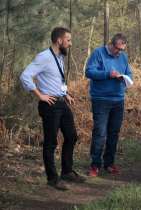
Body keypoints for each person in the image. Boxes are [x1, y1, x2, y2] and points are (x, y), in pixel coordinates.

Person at [20, 27, 85, 191]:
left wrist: (66, 93)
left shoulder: (59, 57)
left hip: (61, 102)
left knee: (71, 136)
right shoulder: (44, 57)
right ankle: (52, 178)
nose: (70, 43)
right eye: (68, 40)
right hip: (49, 105)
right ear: (59, 40)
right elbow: (25, 76)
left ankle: (67, 172)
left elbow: (58, 79)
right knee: (50, 143)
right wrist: (39, 95)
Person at [85, 33, 133, 177]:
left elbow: (129, 74)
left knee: (114, 133)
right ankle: (95, 165)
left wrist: (125, 79)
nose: (119, 52)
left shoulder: (123, 57)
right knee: (100, 133)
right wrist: (108, 74)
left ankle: (109, 163)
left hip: (118, 100)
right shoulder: (98, 53)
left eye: (122, 49)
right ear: (111, 45)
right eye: (117, 49)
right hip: (100, 99)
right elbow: (89, 72)